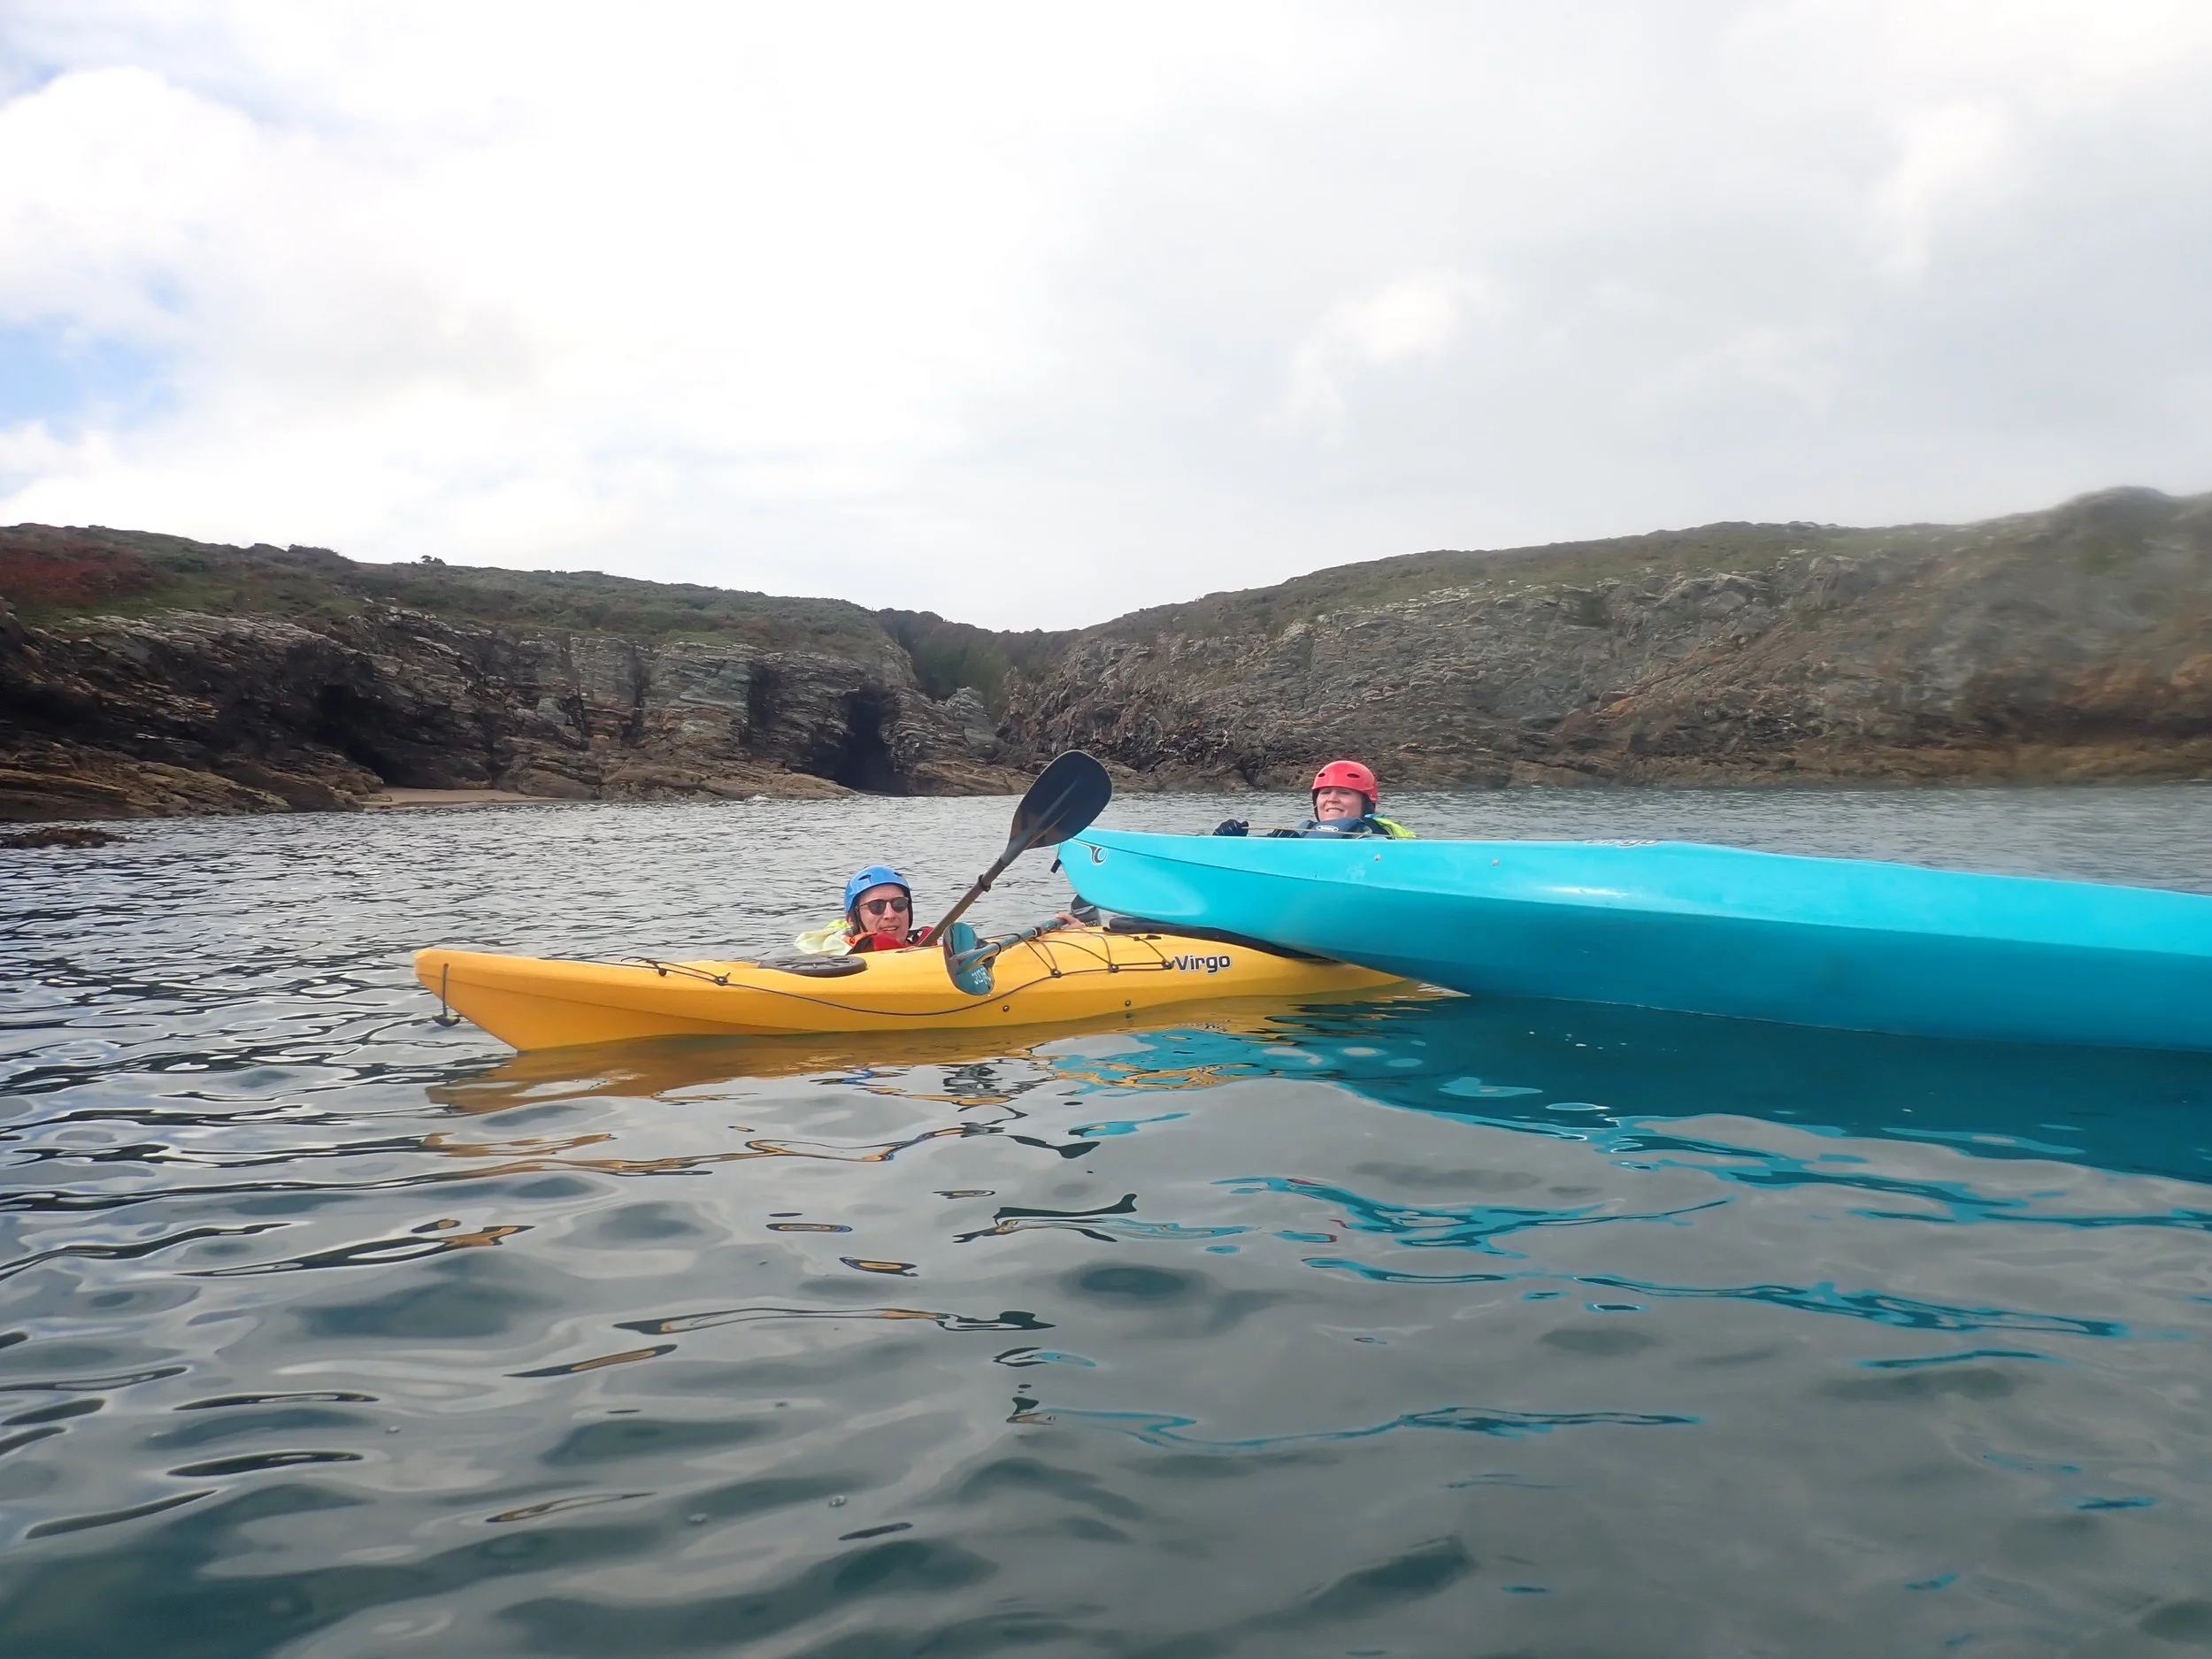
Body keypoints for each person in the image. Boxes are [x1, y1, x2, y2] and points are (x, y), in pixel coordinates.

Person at [1213, 759, 1414, 840]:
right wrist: (1225, 844)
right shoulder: (1302, 834)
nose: (1332, 799)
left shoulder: (1378, 833)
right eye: (1325, 793)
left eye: (1344, 793)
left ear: (1367, 803)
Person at [795, 864, 926, 955]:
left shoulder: (931, 950)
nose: (890, 914)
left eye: (899, 904)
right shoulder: (835, 959)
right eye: (876, 906)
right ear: (851, 919)